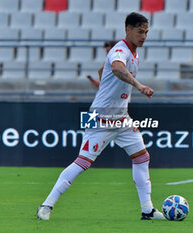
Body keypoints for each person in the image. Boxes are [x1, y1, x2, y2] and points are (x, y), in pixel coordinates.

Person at [37, 12, 165, 221]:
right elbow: (115, 67)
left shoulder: (133, 52)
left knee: (142, 157)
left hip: (121, 119)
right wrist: (139, 86)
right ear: (128, 30)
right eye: (140, 32)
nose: (144, 36)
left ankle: (147, 210)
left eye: (146, 32)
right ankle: (46, 205)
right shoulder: (120, 50)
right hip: (99, 118)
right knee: (83, 162)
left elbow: (103, 69)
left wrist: (105, 85)